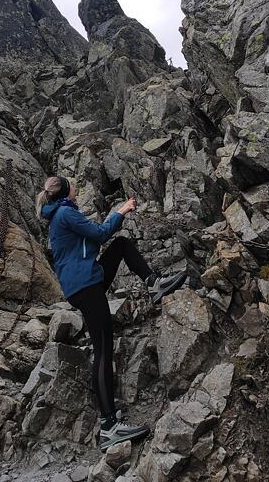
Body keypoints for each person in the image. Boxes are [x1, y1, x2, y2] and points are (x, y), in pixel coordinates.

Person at [35, 175, 187, 451]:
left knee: (121, 246)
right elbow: (101, 234)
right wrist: (120, 212)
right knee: (103, 348)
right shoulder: (66, 214)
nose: (78, 187)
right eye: (74, 185)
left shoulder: (60, 215)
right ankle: (108, 427)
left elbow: (93, 242)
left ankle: (154, 284)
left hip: (86, 280)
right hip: (86, 285)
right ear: (67, 191)